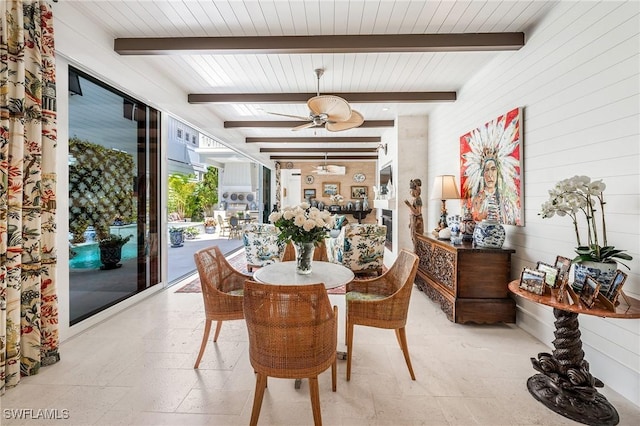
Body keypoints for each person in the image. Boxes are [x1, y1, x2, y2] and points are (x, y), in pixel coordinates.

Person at [404, 179, 424, 247]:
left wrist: (409, 205)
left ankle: (417, 254)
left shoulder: (418, 199)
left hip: (417, 221)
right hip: (413, 220)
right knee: (413, 238)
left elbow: (417, 212)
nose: (410, 192)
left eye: (412, 190)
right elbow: (412, 213)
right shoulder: (414, 199)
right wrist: (410, 222)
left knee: (416, 240)